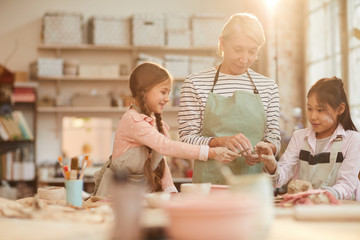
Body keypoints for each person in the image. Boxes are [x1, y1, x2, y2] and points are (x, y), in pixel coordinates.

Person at [93, 62, 239, 197]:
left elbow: (161, 163)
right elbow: (166, 147)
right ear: (144, 90)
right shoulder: (132, 120)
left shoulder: (154, 124)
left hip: (139, 195)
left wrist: (171, 191)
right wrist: (211, 152)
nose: (167, 99)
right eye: (163, 92)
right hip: (115, 196)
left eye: (168, 93)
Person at [178, 13, 281, 184]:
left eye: (252, 51)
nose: (244, 59)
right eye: (238, 49)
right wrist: (220, 142)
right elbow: (187, 139)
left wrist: (266, 149)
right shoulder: (195, 83)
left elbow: (273, 137)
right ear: (223, 43)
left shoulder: (268, 87)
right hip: (209, 186)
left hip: (254, 186)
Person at [255, 77, 360, 201]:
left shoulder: (353, 140)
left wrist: (320, 196)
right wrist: (272, 165)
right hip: (305, 208)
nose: (313, 116)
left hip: (339, 211)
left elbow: (346, 185)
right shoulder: (299, 137)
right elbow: (280, 179)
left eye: (320, 110)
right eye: (310, 109)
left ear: (340, 109)